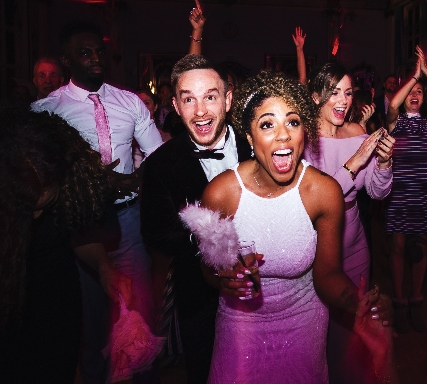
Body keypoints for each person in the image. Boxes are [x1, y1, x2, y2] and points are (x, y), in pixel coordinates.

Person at [196, 71, 392, 384]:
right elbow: (208, 271)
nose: (283, 136)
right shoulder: (220, 195)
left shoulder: (324, 192)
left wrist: (360, 306)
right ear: (249, 137)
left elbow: (328, 274)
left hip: (304, 327)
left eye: (293, 122)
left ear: (305, 132)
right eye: (267, 124)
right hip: (240, 328)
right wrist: (224, 278)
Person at [31, 21, 163, 384]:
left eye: (100, 52)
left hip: (128, 219)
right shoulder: (47, 109)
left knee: (138, 313)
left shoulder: (129, 102)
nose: (95, 58)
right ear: (67, 60)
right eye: (85, 53)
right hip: (80, 223)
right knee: (92, 322)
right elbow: (39, 174)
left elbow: (156, 157)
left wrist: (141, 178)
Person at [0, 106, 132, 384]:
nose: (37, 216)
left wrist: (104, 267)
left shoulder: (63, 182)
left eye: (46, 206)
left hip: (57, 300)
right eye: (28, 208)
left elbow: (75, 234)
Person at [140, 54, 252, 383]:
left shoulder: (258, 145)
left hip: (264, 288)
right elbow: (156, 233)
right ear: (176, 105)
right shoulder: (160, 164)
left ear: (227, 100)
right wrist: (208, 238)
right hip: (199, 295)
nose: (200, 111)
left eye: (210, 97)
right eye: (189, 99)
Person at [304, 61, 394, 384]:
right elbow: (316, 199)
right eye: (334, 92)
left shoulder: (357, 133)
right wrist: (354, 162)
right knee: (319, 328)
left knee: (353, 327)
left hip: (355, 242)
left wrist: (383, 163)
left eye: (348, 92)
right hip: (317, 246)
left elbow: (377, 192)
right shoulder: (302, 140)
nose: (343, 100)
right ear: (316, 96)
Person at [385, 46, 427, 333]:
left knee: (420, 249)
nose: (415, 95)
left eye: (420, 92)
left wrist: (425, 72)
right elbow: (392, 105)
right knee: (399, 247)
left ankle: (416, 301)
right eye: (411, 92)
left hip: (425, 193)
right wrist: (413, 77)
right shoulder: (395, 121)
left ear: (425, 98)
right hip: (400, 191)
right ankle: (399, 301)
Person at [134, 89, 171, 168]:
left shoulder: (165, 138)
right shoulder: (126, 137)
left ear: (155, 107)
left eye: (146, 103)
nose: (142, 107)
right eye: (138, 104)